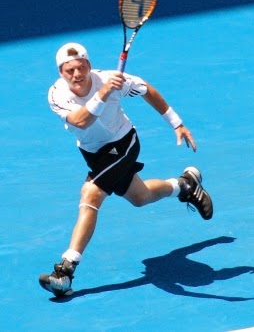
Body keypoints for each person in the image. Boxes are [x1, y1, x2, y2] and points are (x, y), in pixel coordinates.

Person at [39, 42, 213, 297]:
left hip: (123, 144)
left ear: (88, 65)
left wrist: (176, 123)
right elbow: (82, 121)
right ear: (60, 73)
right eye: (69, 71)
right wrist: (105, 93)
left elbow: (146, 89)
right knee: (140, 197)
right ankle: (185, 186)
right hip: (93, 153)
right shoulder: (57, 94)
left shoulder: (109, 78)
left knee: (91, 194)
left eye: (80, 68)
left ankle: (66, 270)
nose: (76, 75)